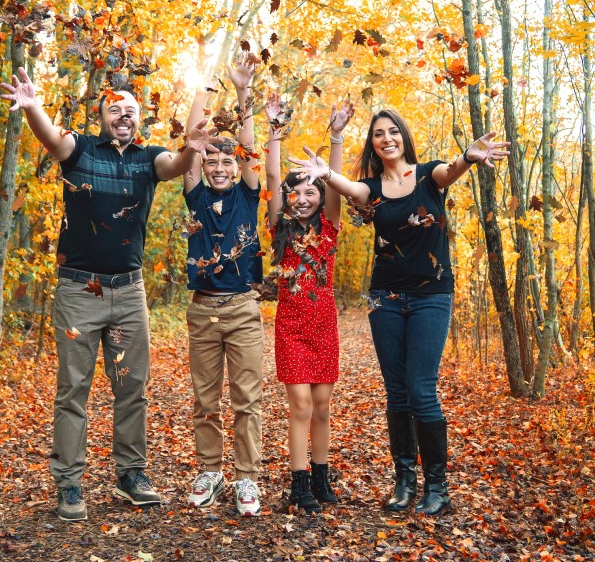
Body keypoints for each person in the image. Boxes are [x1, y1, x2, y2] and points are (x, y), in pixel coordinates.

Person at [1, 67, 216, 522]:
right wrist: (33, 105)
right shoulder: (79, 149)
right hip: (80, 290)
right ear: (100, 115)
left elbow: (176, 167)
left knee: (132, 388)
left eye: (131, 111)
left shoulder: (149, 157)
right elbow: (51, 141)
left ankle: (131, 474)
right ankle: (71, 482)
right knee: (73, 390)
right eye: (114, 109)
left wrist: (191, 149)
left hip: (129, 293)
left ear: (140, 120)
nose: (123, 115)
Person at [292, 109, 509, 515]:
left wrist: (469, 156)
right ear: (372, 143)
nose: (386, 138)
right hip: (385, 298)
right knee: (396, 390)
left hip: (431, 296)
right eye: (378, 134)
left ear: (403, 137)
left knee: (421, 388)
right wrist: (324, 172)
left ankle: (437, 487)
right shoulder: (370, 188)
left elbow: (450, 170)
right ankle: (405, 481)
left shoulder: (428, 175)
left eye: (393, 131)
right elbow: (346, 188)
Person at [181, 51, 266, 517]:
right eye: (211, 159)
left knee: (247, 397)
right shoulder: (194, 196)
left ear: (236, 168)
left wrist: (242, 91)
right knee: (205, 398)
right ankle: (210, 470)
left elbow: (251, 148)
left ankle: (247, 479)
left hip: (242, 308)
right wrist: (201, 87)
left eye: (225, 162)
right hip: (202, 309)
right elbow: (192, 145)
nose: (217, 166)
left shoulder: (247, 196)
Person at [266, 93, 354, 514]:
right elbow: (270, 177)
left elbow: (334, 184)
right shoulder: (279, 229)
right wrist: (275, 132)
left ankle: (321, 476)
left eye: (310, 192)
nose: (303, 198)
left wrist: (336, 138)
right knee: (299, 405)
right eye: (295, 192)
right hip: (290, 327)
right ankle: (298, 482)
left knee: (322, 406)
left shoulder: (330, 230)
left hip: (324, 325)